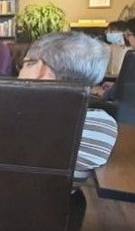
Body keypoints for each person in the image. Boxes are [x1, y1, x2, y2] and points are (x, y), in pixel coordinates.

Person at [18, 32, 118, 183]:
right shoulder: (103, 127)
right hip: (56, 205)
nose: (19, 72)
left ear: (41, 68)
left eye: (24, 64)